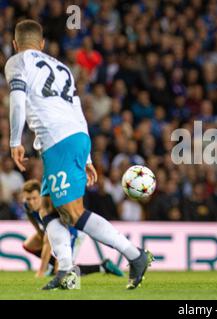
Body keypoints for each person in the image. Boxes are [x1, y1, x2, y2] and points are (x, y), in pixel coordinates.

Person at [5, 20, 153, 290]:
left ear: (16, 44)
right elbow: (77, 110)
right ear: (42, 44)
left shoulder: (17, 61)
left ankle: (135, 255)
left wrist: (14, 140)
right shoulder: (62, 68)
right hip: (73, 137)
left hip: (58, 139)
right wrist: (86, 157)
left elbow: (16, 100)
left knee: (73, 213)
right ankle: (67, 270)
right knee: (47, 208)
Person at [22, 179, 124, 278]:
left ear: (41, 196)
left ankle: (102, 266)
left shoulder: (49, 205)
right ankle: (55, 267)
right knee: (28, 245)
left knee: (64, 272)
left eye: (34, 198)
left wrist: (41, 272)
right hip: (59, 231)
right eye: (28, 199)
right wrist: (39, 231)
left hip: (74, 232)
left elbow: (47, 241)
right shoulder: (27, 206)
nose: (31, 202)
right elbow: (31, 216)